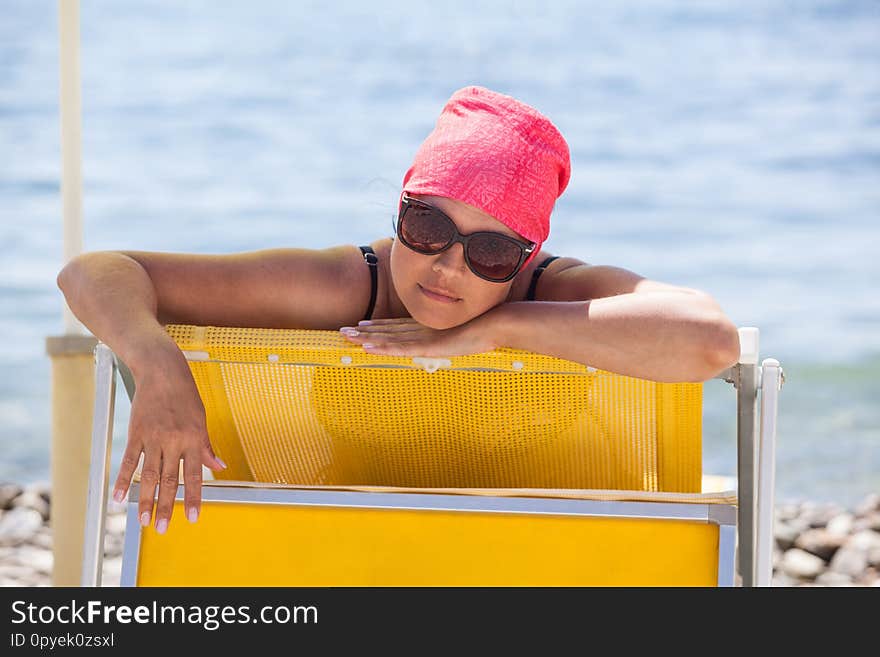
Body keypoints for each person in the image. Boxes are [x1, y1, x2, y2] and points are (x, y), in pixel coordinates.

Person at [57, 85, 741, 535]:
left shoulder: (551, 293)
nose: (447, 267)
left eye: (493, 252)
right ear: (399, 212)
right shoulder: (351, 284)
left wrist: (500, 327)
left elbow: (711, 340)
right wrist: (158, 362)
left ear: (529, 257)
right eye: (427, 228)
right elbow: (95, 271)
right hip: (375, 553)